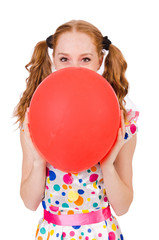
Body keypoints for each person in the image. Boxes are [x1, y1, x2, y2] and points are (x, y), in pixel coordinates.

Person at [14, 20, 139, 240]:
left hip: (102, 233)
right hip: (52, 233)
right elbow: (29, 202)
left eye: (86, 59)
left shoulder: (122, 119)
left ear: (100, 61)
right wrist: (38, 161)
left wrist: (108, 164)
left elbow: (123, 206)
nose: (74, 69)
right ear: (53, 60)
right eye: (64, 59)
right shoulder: (35, 115)